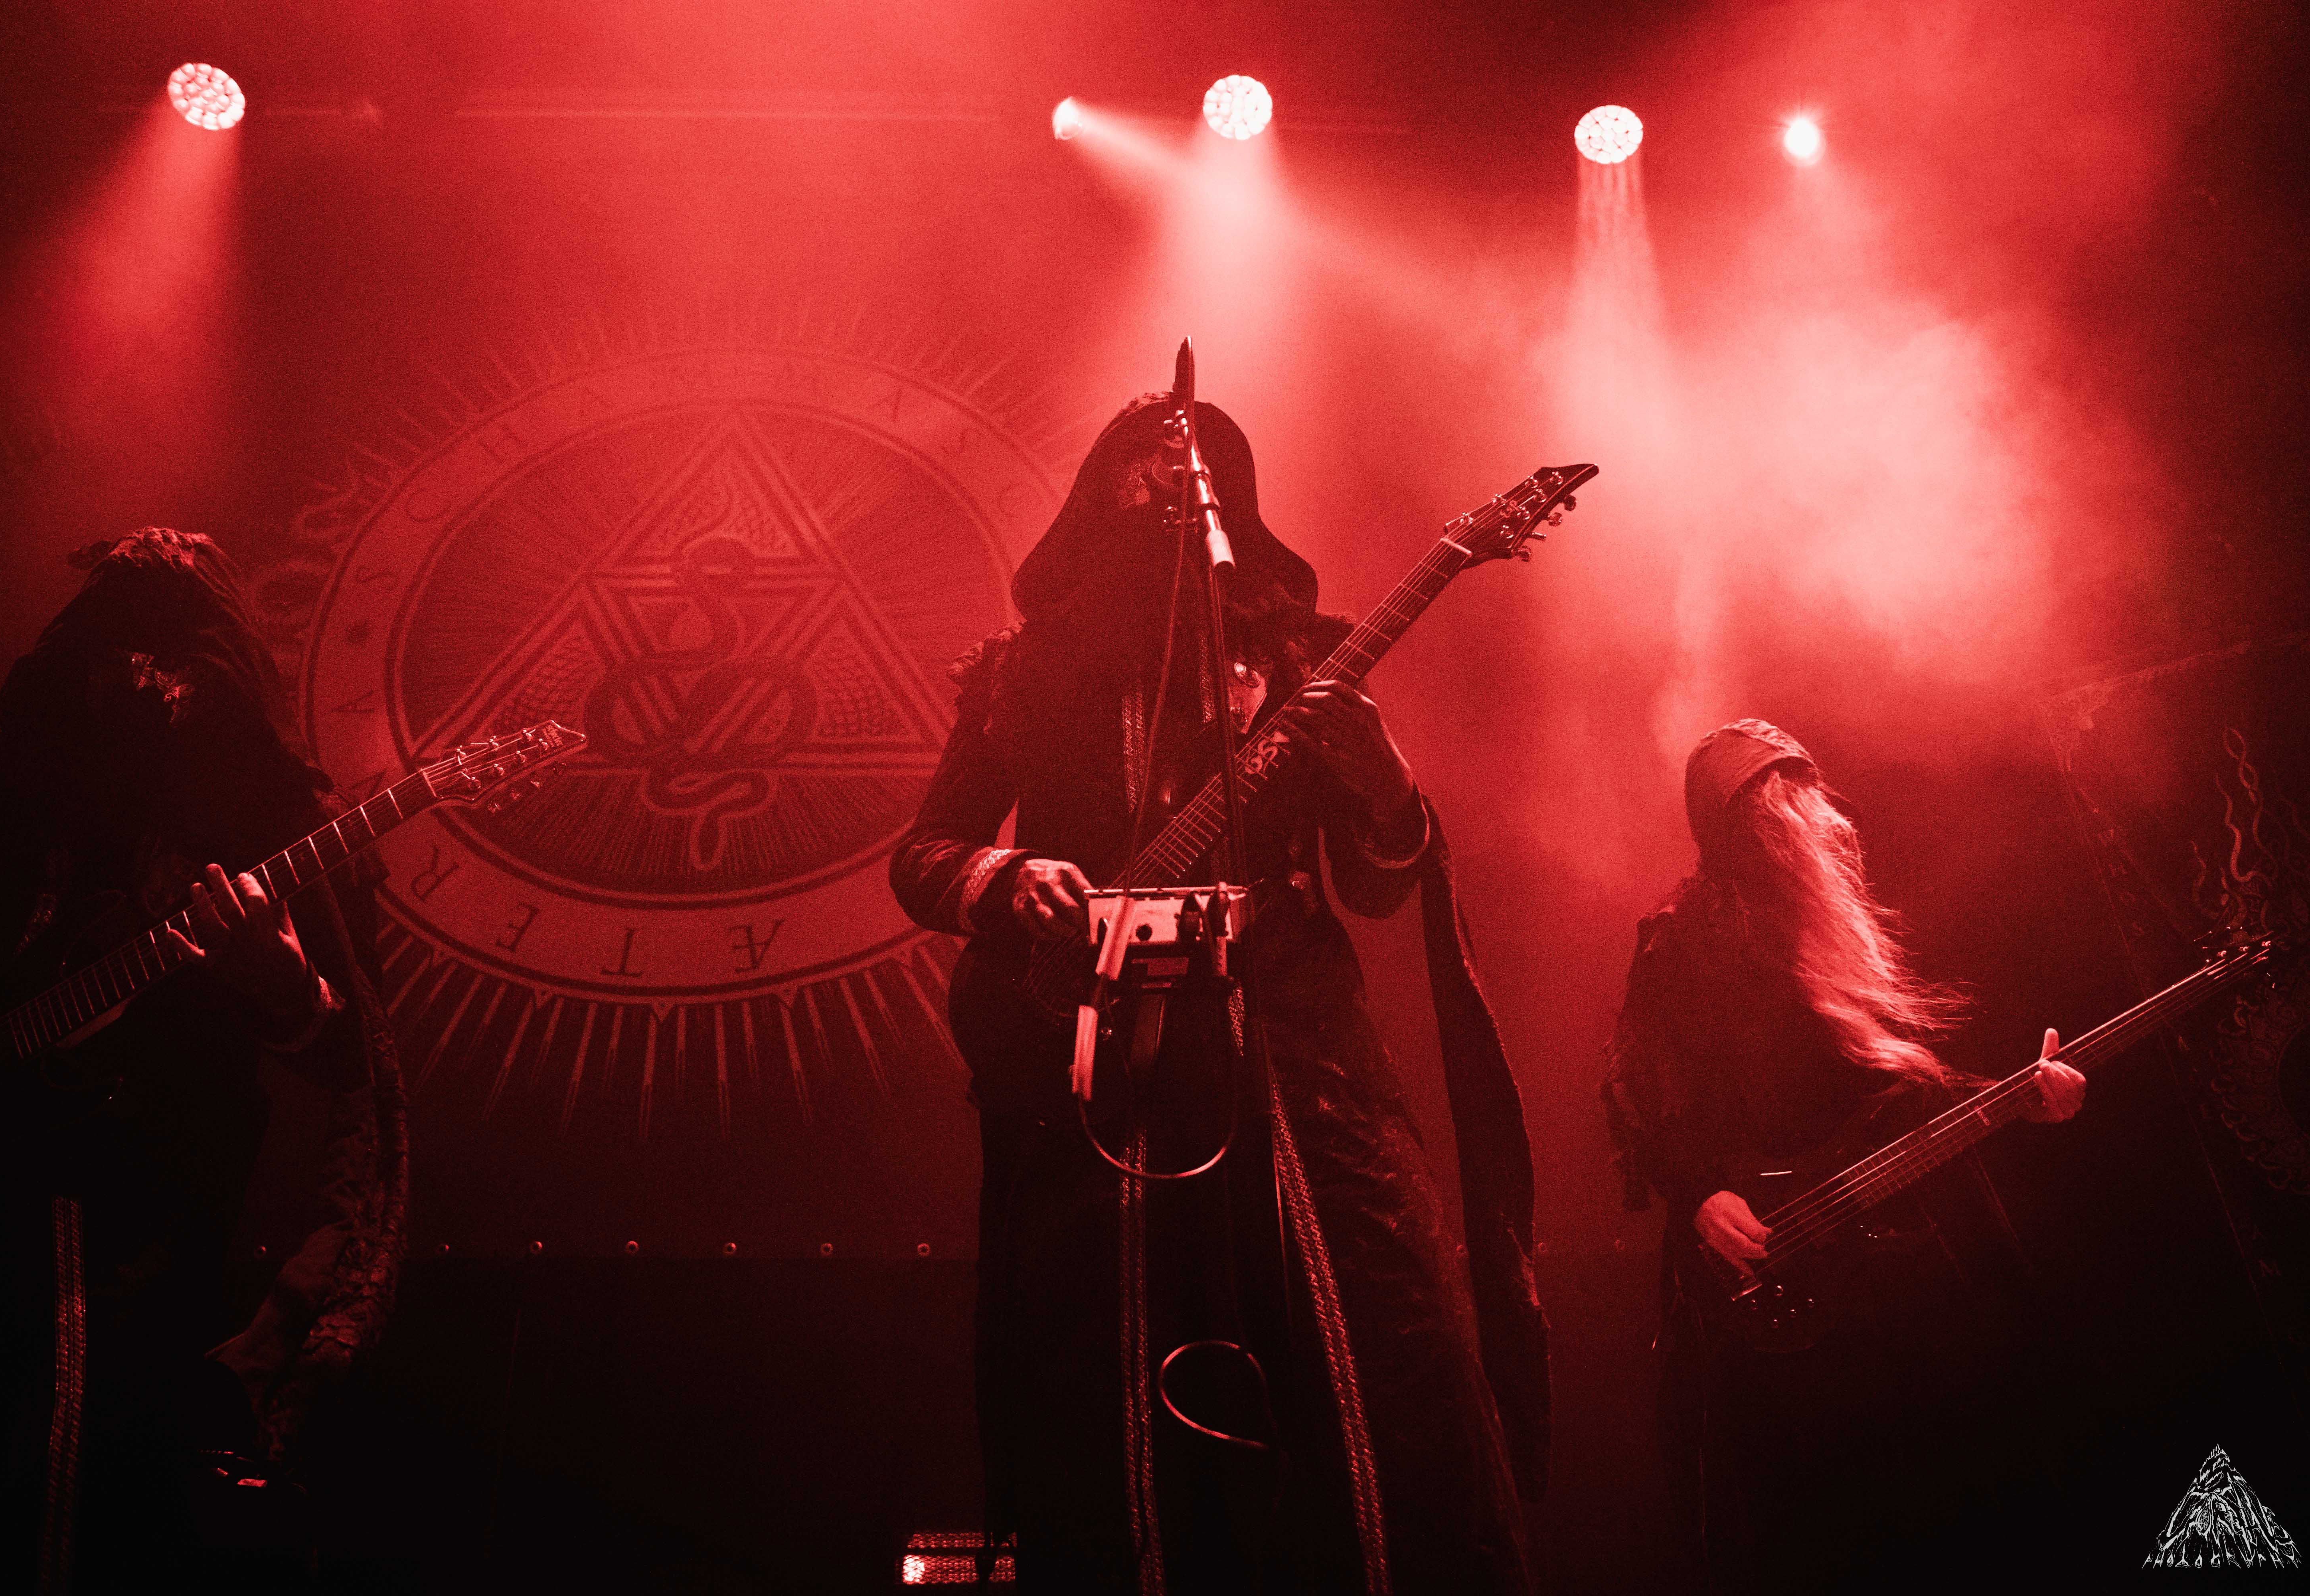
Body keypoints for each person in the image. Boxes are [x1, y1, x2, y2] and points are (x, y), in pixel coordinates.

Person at [891, 392, 1546, 1592]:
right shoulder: (1024, 674)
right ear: (1098, 495)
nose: (1167, 487)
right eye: (1138, 468)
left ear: (1229, 503)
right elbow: (925, 853)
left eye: (1190, 471)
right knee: (1096, 1365)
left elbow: (1378, 880)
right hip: (1094, 1068)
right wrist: (1008, 876)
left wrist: (1386, 786)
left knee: (1381, 1328)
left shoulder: (1302, 664)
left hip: (1296, 1057)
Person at [0, 528, 407, 1590]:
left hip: (154, 1201)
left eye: (161, 662)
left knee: (87, 1471)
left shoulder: (275, 814)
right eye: (110, 657)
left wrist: (285, 985)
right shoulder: (11, 778)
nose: (135, 685)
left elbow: (356, 1069)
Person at [1602, 719, 2083, 1593]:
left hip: (1868, 1272)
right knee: (1834, 1514)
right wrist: (1700, 1191)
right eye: (1783, 800)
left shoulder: (1815, 933)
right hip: (1768, 1272)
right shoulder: (1679, 940)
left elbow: (1888, 1092)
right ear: (1744, 823)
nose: (1816, 821)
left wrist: (2023, 1093)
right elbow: (1636, 1090)